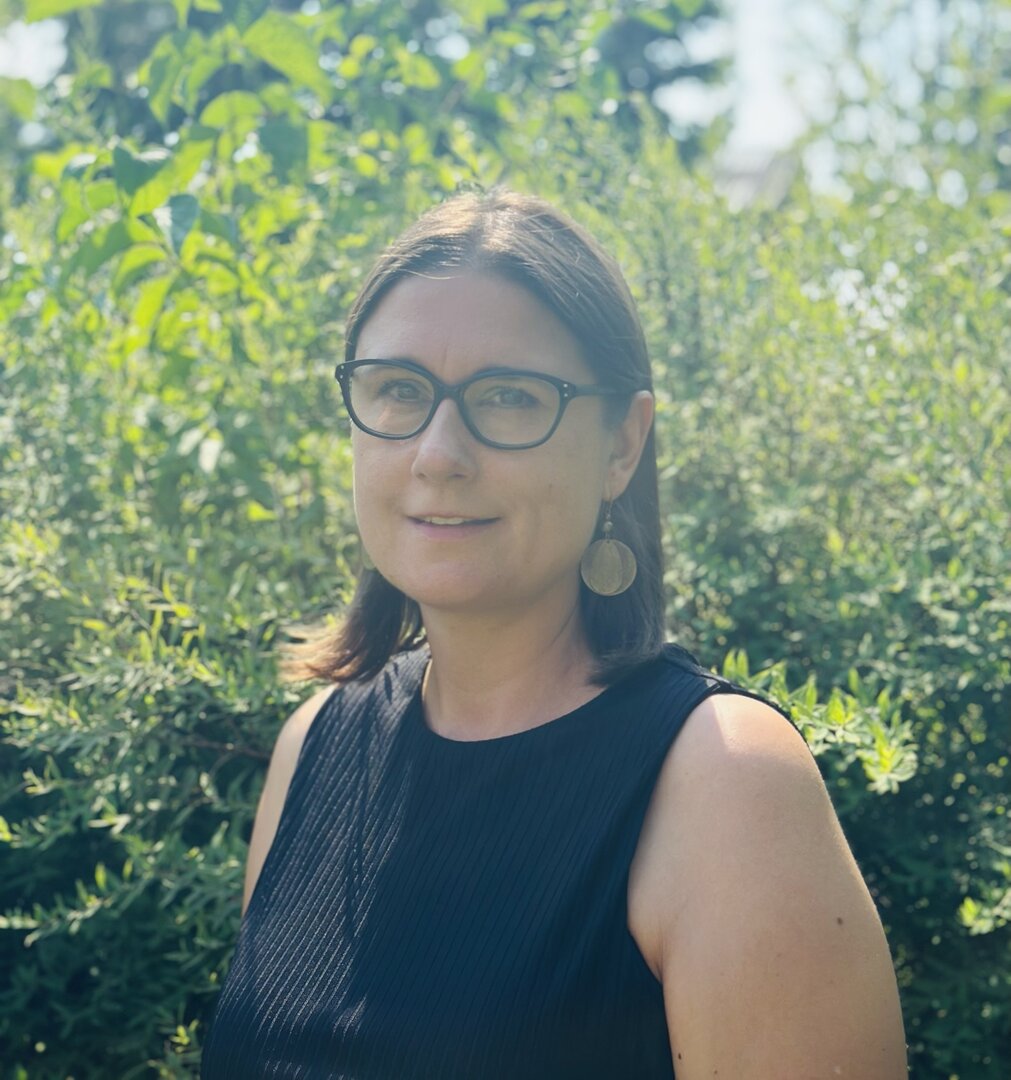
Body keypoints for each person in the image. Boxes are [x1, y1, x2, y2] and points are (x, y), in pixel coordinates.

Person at [200, 188, 908, 1079]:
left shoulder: (724, 783)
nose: (438, 453)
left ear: (621, 446)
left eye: (507, 397)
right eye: (398, 390)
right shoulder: (313, 747)